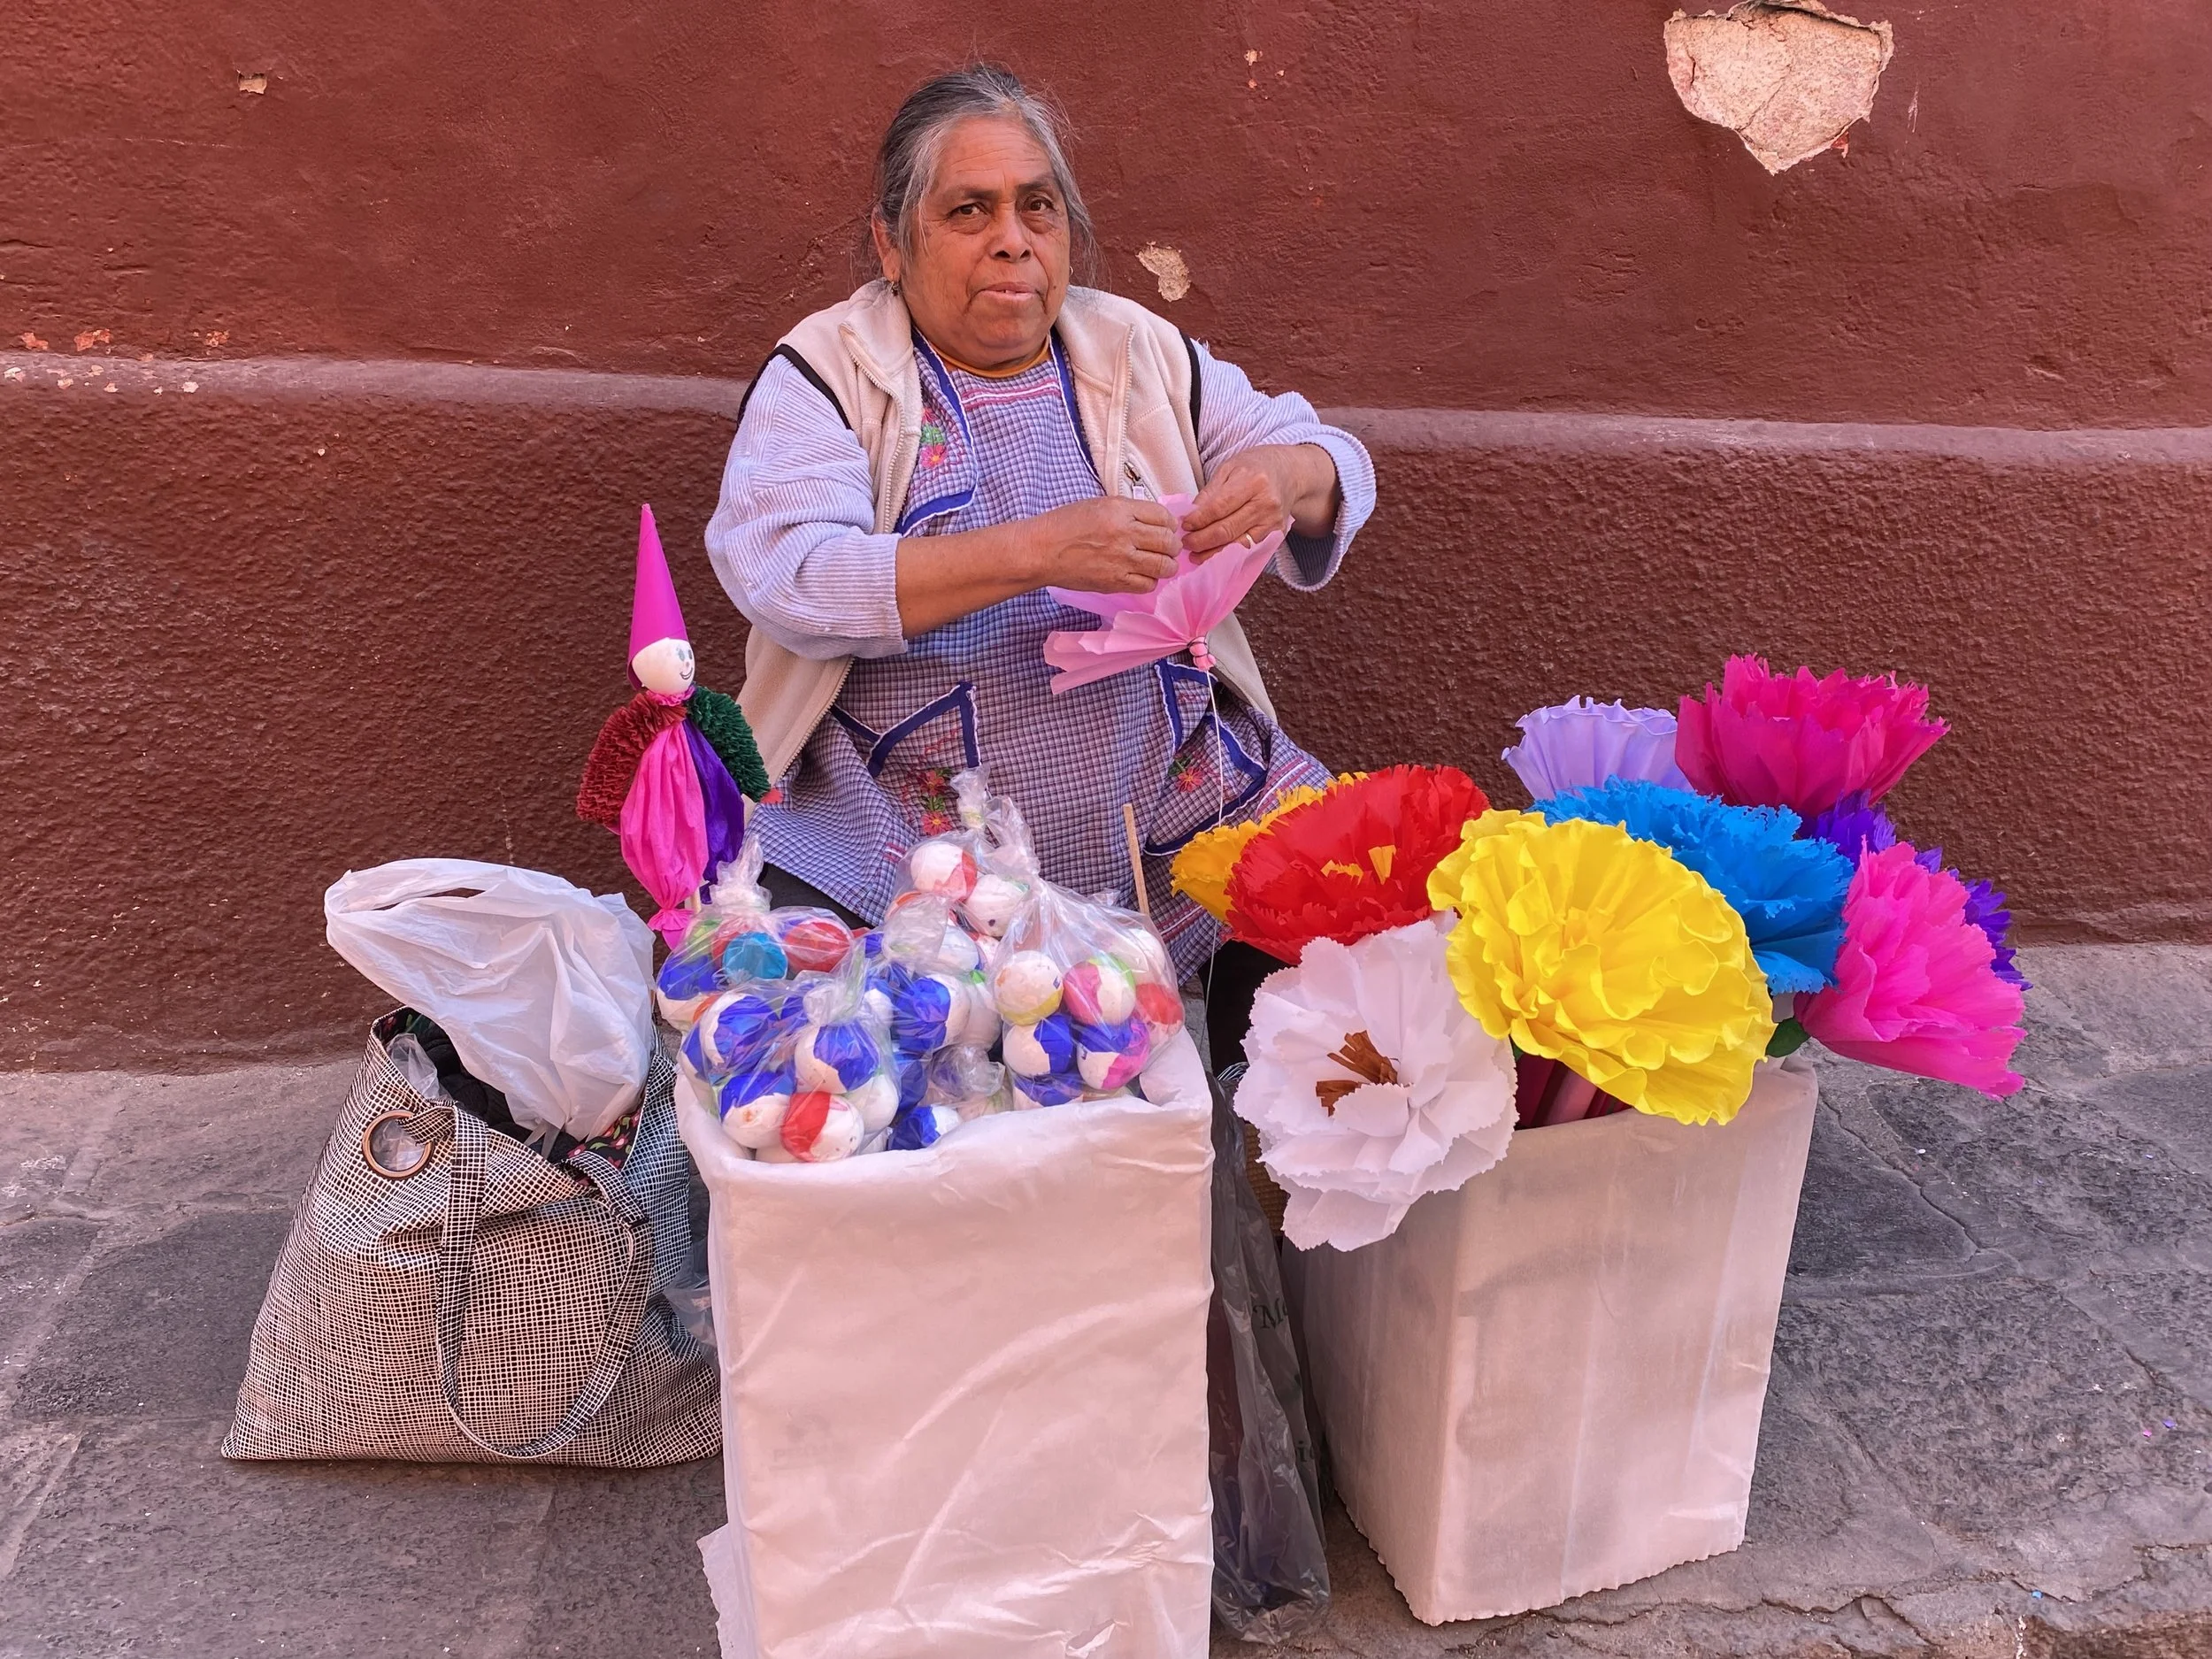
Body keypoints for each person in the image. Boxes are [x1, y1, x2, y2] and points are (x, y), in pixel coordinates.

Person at [706, 64, 1376, 1068]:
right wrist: (1036, 551)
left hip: (1172, 800)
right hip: (907, 845)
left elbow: (1336, 463)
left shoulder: (1132, 348)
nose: (1012, 239)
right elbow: (793, 575)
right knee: (873, 1073)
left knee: (1361, 923)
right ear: (892, 242)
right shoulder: (827, 373)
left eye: (1037, 208)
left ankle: (1272, 1177)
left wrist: (1288, 473)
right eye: (968, 210)